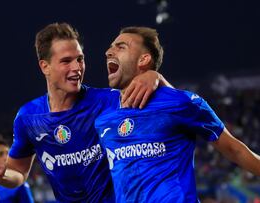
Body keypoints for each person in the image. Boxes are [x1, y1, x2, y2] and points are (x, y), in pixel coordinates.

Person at [0, 23, 172, 202]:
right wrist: (2, 174)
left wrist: (157, 78)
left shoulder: (109, 101)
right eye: (66, 61)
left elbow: (177, 108)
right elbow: (18, 172)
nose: (77, 67)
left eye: (80, 59)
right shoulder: (29, 117)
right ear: (44, 66)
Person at [95, 26, 260, 202]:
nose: (108, 52)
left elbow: (234, 150)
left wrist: (156, 76)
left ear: (144, 59)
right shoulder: (103, 118)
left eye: (121, 47)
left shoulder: (179, 102)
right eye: (111, 47)